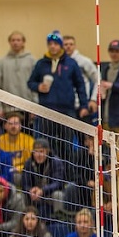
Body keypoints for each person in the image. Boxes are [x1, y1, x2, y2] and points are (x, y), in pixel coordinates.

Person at [27, 31, 87, 162]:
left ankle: (68, 177)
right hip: (46, 111)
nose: (53, 46)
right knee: (48, 145)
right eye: (50, 44)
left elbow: (80, 85)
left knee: (67, 146)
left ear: (60, 46)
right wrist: (38, 87)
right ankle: (50, 176)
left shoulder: (71, 63)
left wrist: (84, 105)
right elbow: (30, 82)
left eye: (55, 44)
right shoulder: (41, 64)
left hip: (67, 111)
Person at [22, 138, 66, 219]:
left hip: (49, 194)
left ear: (47, 151)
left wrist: (42, 191)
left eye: (41, 151)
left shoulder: (56, 162)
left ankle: (60, 218)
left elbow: (58, 183)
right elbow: (25, 183)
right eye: (36, 152)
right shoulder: (28, 163)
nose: (39, 155)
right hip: (33, 195)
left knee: (58, 195)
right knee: (21, 196)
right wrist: (30, 191)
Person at [0, 30, 36, 114]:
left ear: (23, 42)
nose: (15, 43)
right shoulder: (2, 62)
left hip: (28, 107)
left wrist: (35, 107)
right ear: (9, 42)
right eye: (13, 40)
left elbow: (35, 85)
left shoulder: (32, 61)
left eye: (18, 40)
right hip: (8, 108)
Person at [0, 113, 35, 186]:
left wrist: (19, 168)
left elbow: (31, 163)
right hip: (3, 171)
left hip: (21, 172)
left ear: (20, 126)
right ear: (5, 126)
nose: (13, 126)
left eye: (16, 123)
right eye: (10, 124)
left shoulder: (29, 140)